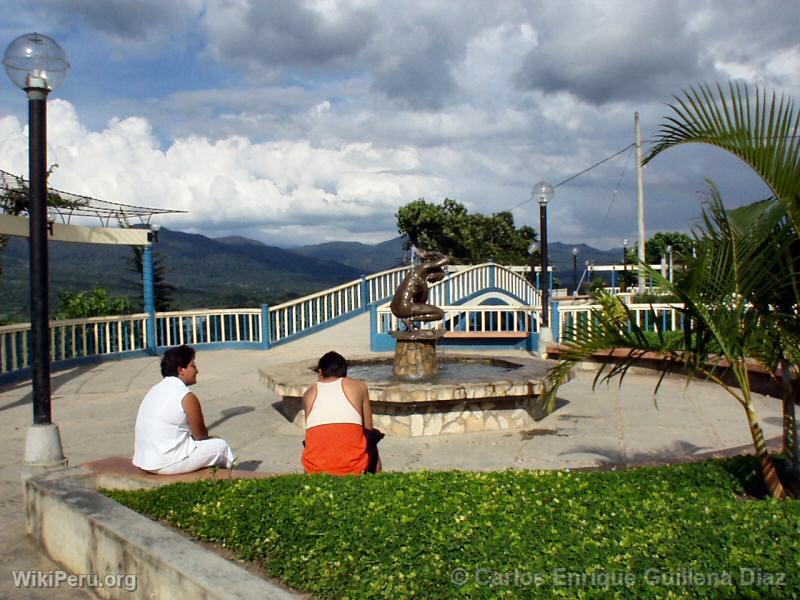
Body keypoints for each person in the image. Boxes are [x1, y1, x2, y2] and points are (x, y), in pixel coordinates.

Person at [133, 345, 236, 475]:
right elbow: (201, 436)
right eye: (193, 365)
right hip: (166, 463)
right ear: (181, 369)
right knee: (221, 446)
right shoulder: (186, 396)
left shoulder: (155, 389)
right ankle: (233, 483)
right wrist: (212, 438)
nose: (197, 370)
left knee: (206, 444)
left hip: (144, 461)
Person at [302, 351, 383, 475]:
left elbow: (311, 432)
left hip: (315, 470)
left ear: (320, 372)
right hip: (355, 468)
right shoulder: (358, 387)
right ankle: (375, 477)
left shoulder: (309, 394)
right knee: (372, 436)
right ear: (345, 372)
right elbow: (368, 427)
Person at [390, 250, 450, 329]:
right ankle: (410, 320)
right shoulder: (423, 268)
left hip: (395, 308)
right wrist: (431, 253)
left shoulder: (416, 277)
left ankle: (410, 322)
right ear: (433, 273)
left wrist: (424, 288)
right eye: (435, 279)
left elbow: (420, 303)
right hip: (404, 307)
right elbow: (446, 260)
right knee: (440, 313)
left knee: (436, 312)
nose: (432, 281)